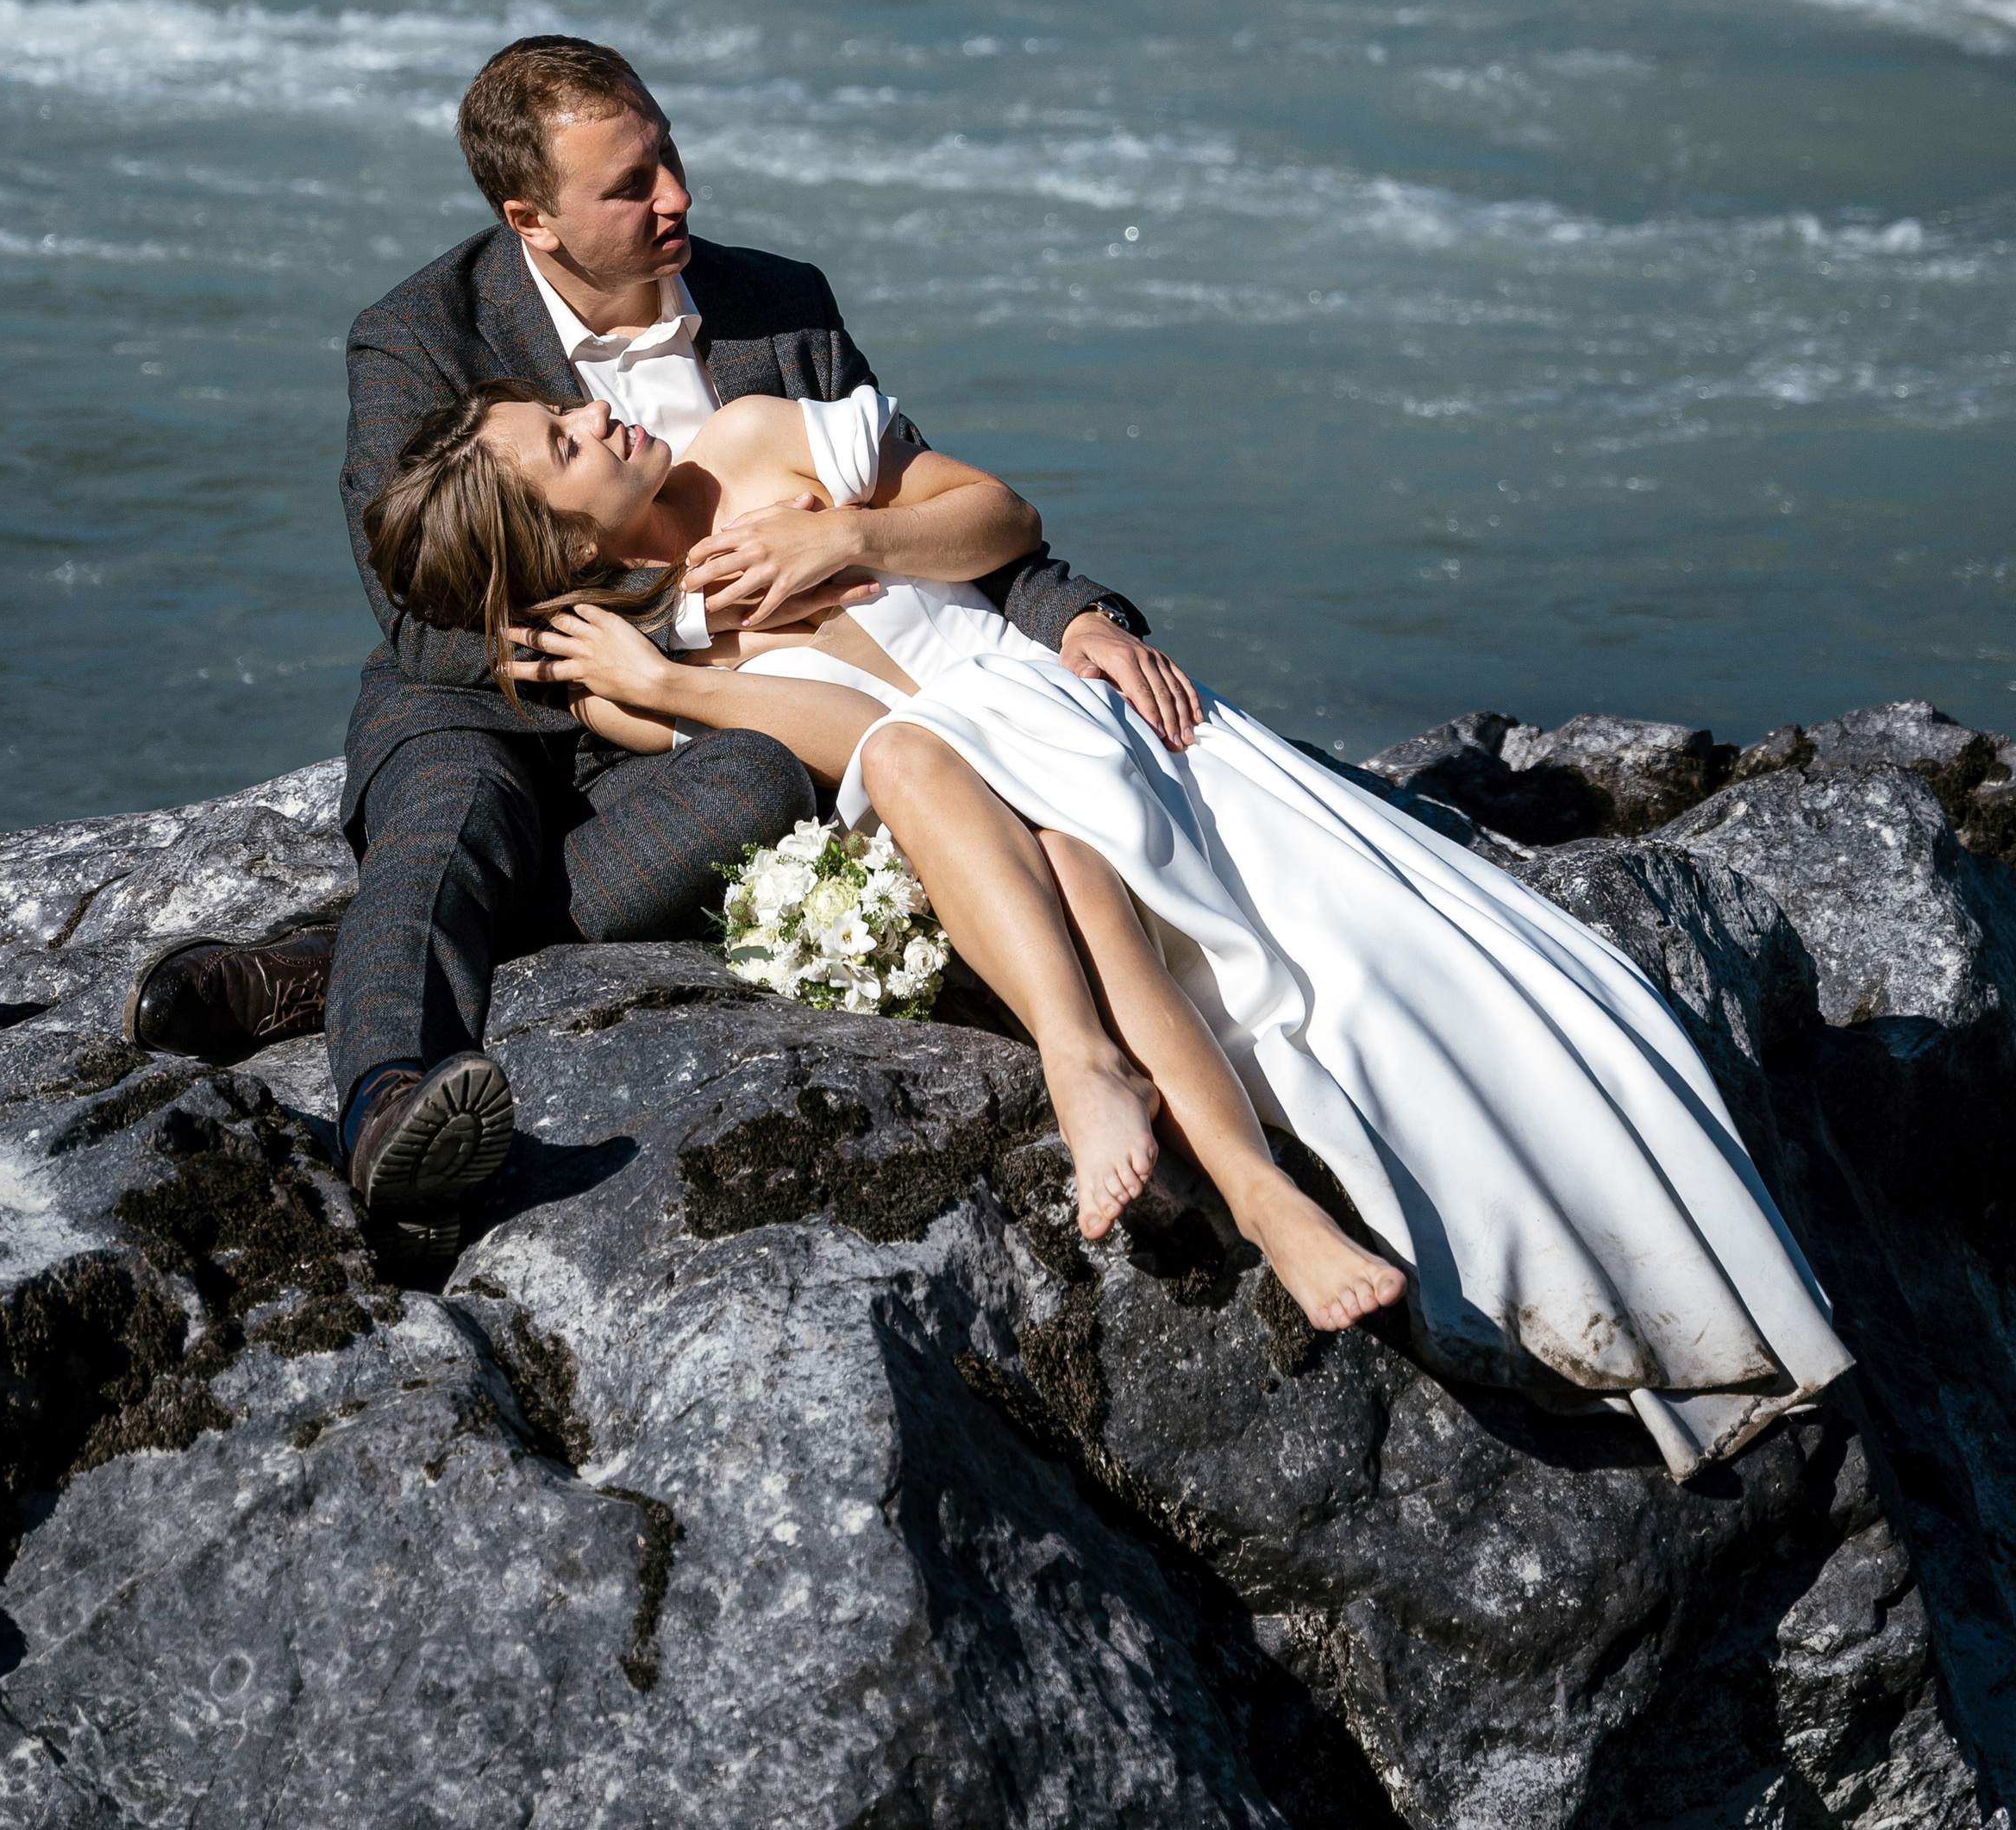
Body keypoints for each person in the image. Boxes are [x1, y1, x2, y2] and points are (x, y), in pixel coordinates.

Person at [393, 374, 1856, 1479]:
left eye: (573, 406)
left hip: (1057, 719)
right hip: (943, 787)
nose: (599, 413)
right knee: (992, 814)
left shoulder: (757, 435)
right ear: (552, 544)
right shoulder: (630, 664)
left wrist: (848, 530)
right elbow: (850, 738)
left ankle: (1177, 1124)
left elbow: (1002, 523)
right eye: (566, 445)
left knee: (1269, 933)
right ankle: (1238, 1176)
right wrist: (685, 686)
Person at [124, 34, 1181, 1277]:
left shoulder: (778, 302)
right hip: (491, 701)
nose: (675, 195)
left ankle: (326, 962)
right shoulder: (415, 335)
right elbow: (415, 610)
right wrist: (629, 650)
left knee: (762, 782)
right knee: (452, 823)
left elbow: (913, 509)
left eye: (667, 153)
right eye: (629, 186)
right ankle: (390, 1112)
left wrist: (1076, 615)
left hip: (706, 716)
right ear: (534, 216)